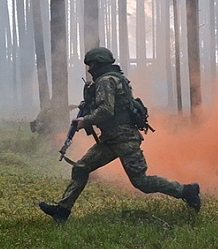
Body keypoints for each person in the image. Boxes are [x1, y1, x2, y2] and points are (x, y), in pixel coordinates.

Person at [39, 47, 201, 222]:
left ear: (99, 64)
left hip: (124, 139)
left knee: (142, 182)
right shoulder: (116, 79)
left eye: (91, 64)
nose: (90, 69)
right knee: (81, 168)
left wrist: (85, 121)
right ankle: (62, 211)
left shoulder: (106, 81)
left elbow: (106, 110)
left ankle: (187, 191)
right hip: (111, 139)